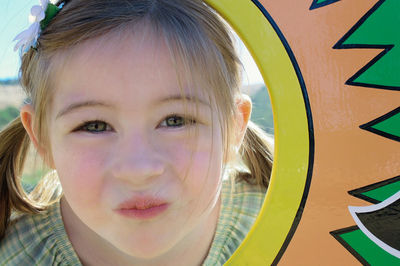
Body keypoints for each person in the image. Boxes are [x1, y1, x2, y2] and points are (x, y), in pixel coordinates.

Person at [0, 0, 273, 265]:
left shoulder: (291, 222)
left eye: (175, 120)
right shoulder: (15, 256)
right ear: (41, 138)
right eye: (95, 126)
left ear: (234, 128)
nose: (138, 169)